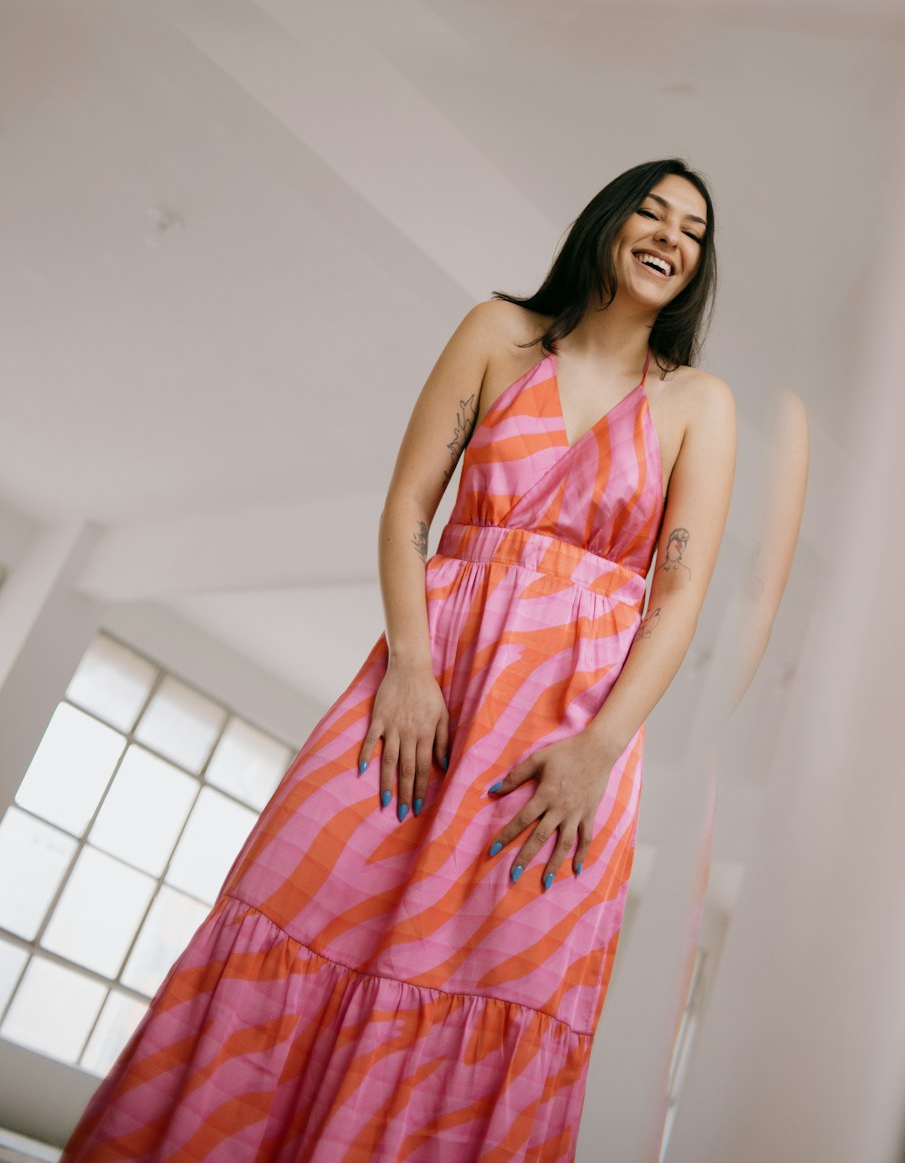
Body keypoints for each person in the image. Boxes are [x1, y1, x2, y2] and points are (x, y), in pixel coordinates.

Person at [63, 158, 736, 1161]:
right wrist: (410, 670)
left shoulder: (698, 406)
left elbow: (677, 596)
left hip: (561, 735)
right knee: (297, 904)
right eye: (650, 210)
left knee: (485, 980)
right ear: (606, 222)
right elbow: (406, 510)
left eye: (691, 229)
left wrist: (599, 750)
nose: (669, 235)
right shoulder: (498, 336)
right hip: (424, 684)